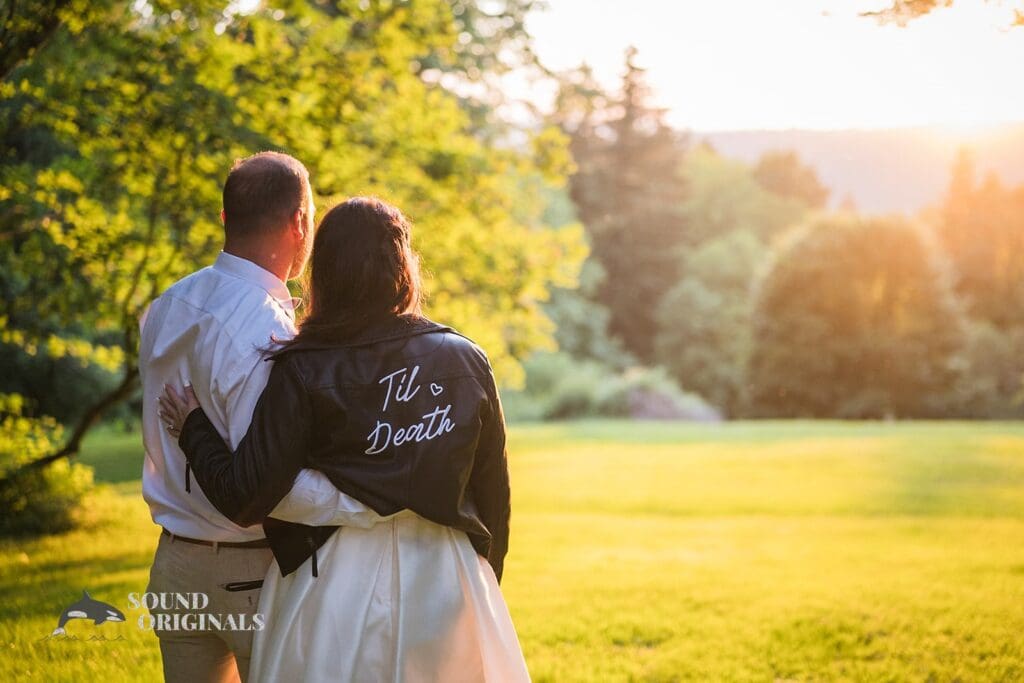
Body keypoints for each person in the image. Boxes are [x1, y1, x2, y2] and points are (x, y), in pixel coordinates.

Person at [157, 197, 530, 682]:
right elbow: (494, 499)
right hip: (447, 578)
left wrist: (194, 429)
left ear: (324, 271)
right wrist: (481, 583)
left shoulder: (301, 365)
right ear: (403, 266)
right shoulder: (464, 359)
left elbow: (247, 496)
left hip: (333, 583)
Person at [138, 152, 383, 683]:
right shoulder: (263, 329)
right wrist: (370, 503)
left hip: (175, 564)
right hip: (251, 569)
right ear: (300, 222)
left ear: (226, 218)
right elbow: (267, 482)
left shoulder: (166, 305)